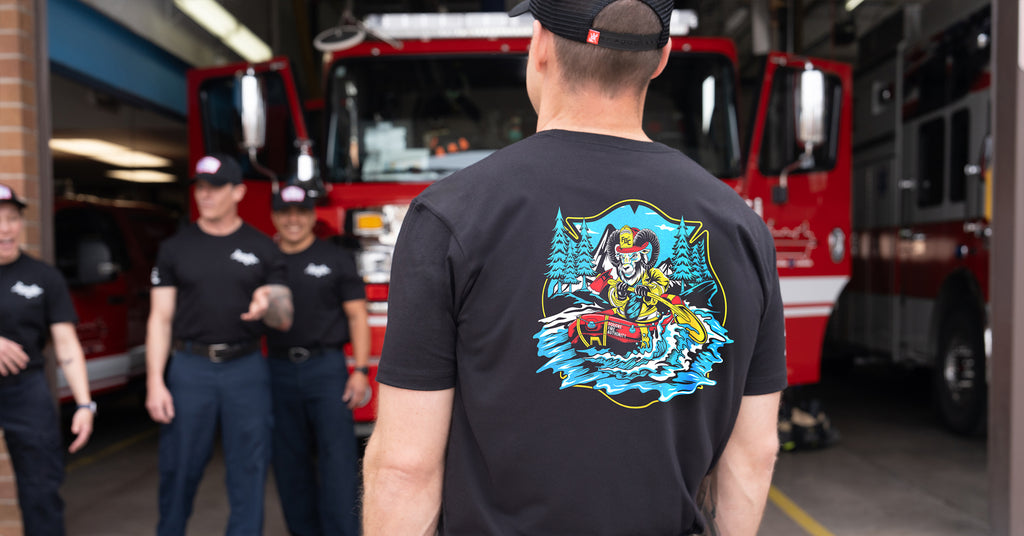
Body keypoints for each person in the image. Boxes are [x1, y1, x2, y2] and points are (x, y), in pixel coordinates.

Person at [362, 0, 786, 534]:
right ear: (661, 59)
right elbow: (752, 454)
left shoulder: (450, 216)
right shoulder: (742, 228)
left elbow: (407, 464)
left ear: (537, 45)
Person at [145, 154, 293, 536]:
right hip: (189, 367)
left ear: (239, 192)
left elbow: (284, 317)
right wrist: (154, 382)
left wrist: (268, 303)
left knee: (249, 469)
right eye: (200, 187)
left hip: (245, 368)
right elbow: (160, 318)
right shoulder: (175, 249)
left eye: (215, 187)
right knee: (180, 467)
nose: (205, 195)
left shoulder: (262, 247)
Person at [266, 184, 371, 535]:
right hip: (276, 370)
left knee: (337, 461)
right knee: (288, 462)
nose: (293, 220)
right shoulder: (265, 259)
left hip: (326, 370)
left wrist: (359, 370)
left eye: (300, 213)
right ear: (274, 217)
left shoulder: (335, 259)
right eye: (285, 213)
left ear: (312, 216)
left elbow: (358, 315)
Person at [0, 183, 94, 536]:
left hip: (26, 391)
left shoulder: (43, 277)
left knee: (41, 490)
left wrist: (85, 404)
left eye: (11, 219)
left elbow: (66, 343)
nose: (5, 229)